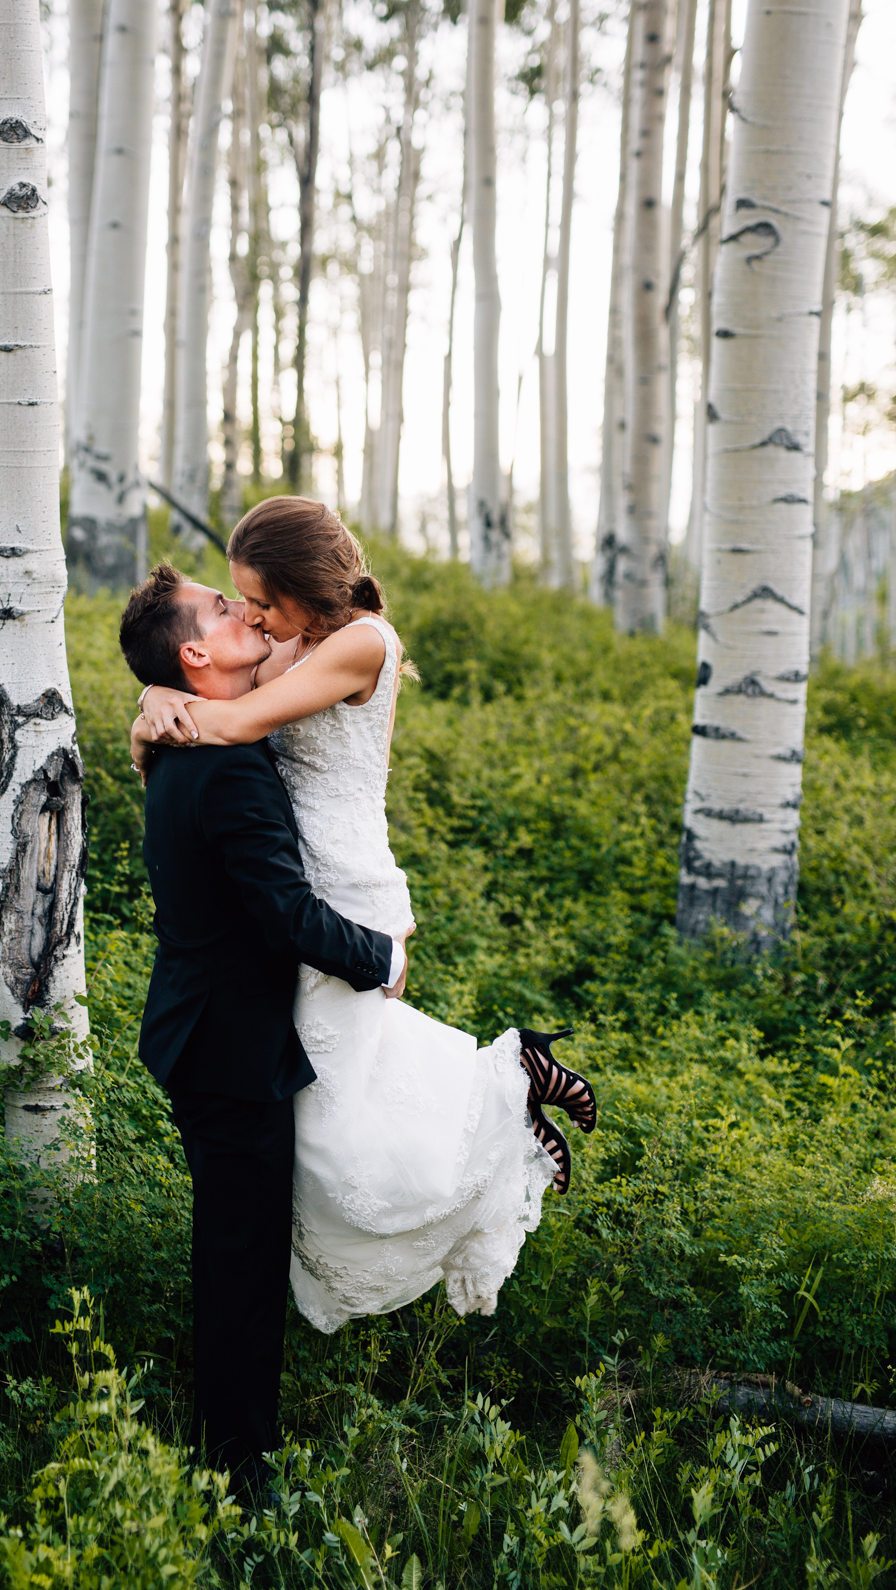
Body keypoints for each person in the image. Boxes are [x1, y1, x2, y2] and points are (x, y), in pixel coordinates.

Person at [131, 496, 597, 1342]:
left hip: (343, 895)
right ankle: (503, 1083)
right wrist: (160, 692)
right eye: (245, 605)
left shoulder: (362, 640)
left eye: (264, 602)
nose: (258, 620)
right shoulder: (294, 642)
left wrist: (158, 706)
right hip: (308, 894)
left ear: (307, 587)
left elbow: (232, 717)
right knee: (323, 1105)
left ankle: (510, 1095)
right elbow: (226, 687)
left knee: (330, 1124)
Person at [118, 563, 411, 1496]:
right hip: (229, 1051)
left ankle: (231, 1449)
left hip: (209, 1033)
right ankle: (239, 1476)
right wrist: (383, 958)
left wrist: (155, 693)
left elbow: (314, 629)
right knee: (241, 1269)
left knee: (235, 1254)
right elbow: (286, 913)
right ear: (199, 653)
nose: (245, 610)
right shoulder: (228, 762)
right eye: (220, 606)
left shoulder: (194, 737)